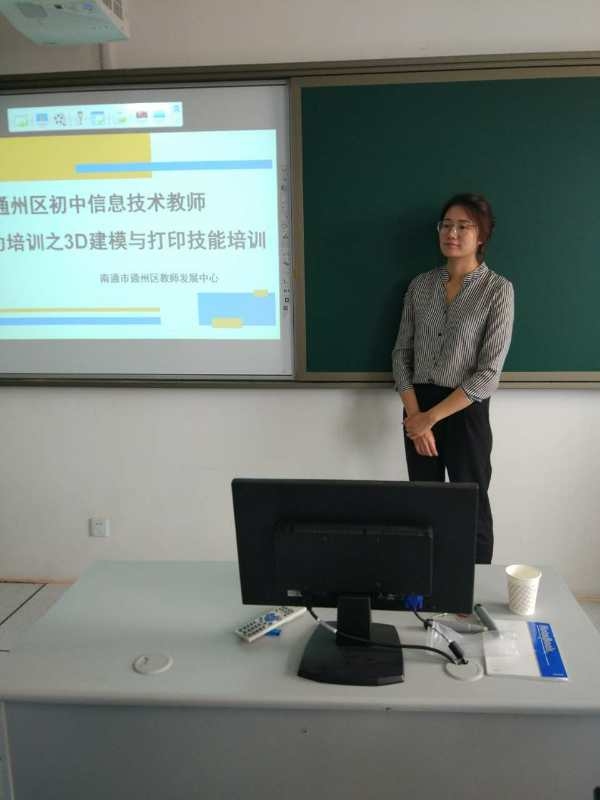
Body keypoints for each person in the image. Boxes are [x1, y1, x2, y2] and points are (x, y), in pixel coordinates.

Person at [392, 193, 514, 563]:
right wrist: (416, 417)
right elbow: (401, 354)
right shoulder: (420, 286)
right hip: (417, 407)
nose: (452, 233)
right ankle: (428, 584)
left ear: (482, 235)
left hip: (464, 410)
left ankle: (472, 589)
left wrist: (428, 419)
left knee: (471, 506)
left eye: (464, 226)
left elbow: (488, 373)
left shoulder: (498, 290)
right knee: (423, 507)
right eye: (446, 225)